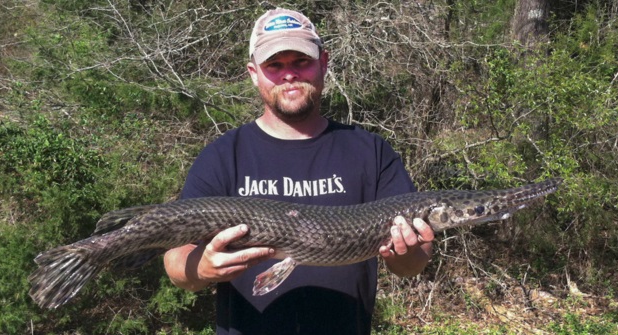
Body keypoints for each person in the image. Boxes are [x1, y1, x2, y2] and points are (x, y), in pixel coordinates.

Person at [163, 8, 434, 335]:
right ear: (254, 73)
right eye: (274, 65)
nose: (289, 74)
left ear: (323, 62)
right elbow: (176, 260)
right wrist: (201, 268)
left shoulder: (370, 151)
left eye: (301, 61)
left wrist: (407, 253)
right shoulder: (222, 156)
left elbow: (411, 264)